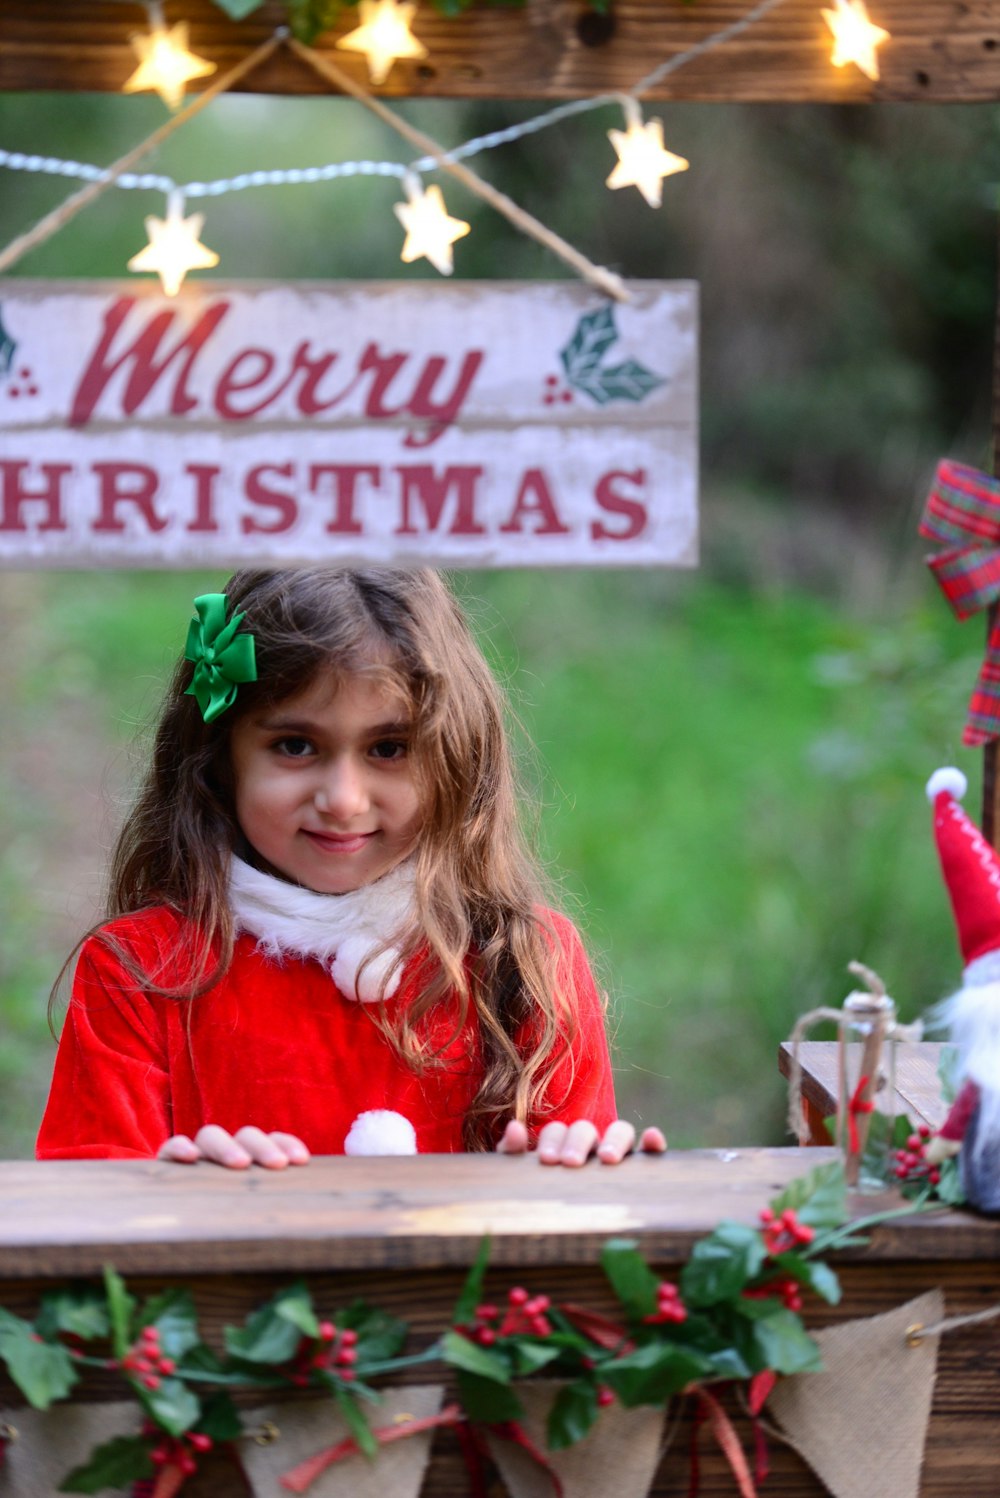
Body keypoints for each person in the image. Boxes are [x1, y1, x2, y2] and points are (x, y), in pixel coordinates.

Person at [37, 568, 665, 1170]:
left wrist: (580, 1172)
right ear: (220, 758)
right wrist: (174, 1195)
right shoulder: (139, 971)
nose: (343, 798)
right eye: (295, 745)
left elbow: (577, 1253)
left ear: (455, 761)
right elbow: (85, 1233)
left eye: (388, 749)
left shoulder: (526, 964)